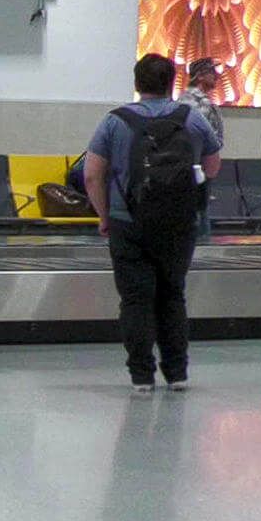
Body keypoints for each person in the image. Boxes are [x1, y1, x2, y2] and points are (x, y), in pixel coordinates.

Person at [83, 53, 222, 393]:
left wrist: (104, 216)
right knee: (173, 295)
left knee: (135, 300)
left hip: (127, 221)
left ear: (136, 83)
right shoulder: (191, 119)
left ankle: (141, 376)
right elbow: (213, 167)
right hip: (178, 223)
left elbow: (91, 175)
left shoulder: (114, 121)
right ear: (172, 82)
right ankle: (177, 373)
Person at [179, 57, 226, 238]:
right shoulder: (201, 105)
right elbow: (212, 141)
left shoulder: (180, 101)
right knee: (199, 216)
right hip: (198, 170)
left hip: (182, 168)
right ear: (199, 76)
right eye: (212, 73)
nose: (217, 77)